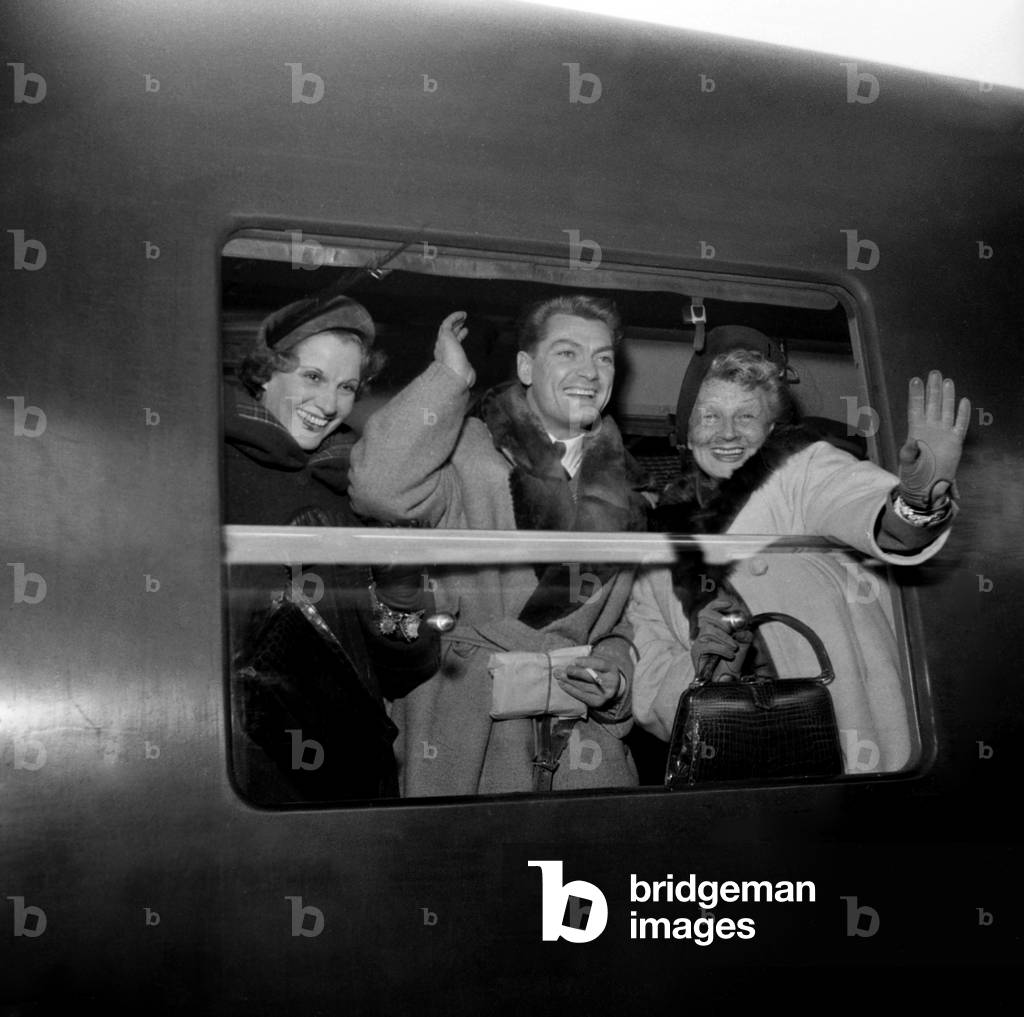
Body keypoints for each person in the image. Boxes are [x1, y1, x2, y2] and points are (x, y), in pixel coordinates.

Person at [348, 295, 650, 796]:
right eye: (567, 353)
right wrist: (449, 379)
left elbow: (620, 627)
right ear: (526, 367)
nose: (590, 372)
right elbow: (377, 487)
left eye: (603, 357)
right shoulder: (464, 448)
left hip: (581, 747)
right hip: (465, 735)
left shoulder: (628, 497)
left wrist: (615, 677)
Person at [628, 342, 971, 774]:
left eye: (746, 416)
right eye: (710, 415)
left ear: (771, 429)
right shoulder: (656, 548)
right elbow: (649, 682)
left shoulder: (803, 473)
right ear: (688, 428)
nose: (727, 433)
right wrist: (701, 665)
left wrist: (917, 500)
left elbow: (877, 518)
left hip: (851, 755)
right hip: (734, 772)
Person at [224, 292, 440, 803]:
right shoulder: (212, 471)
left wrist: (400, 591)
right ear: (264, 373)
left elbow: (404, 670)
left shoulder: (358, 484)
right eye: (313, 378)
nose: (329, 404)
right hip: (240, 768)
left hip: (350, 764)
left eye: (347, 387)